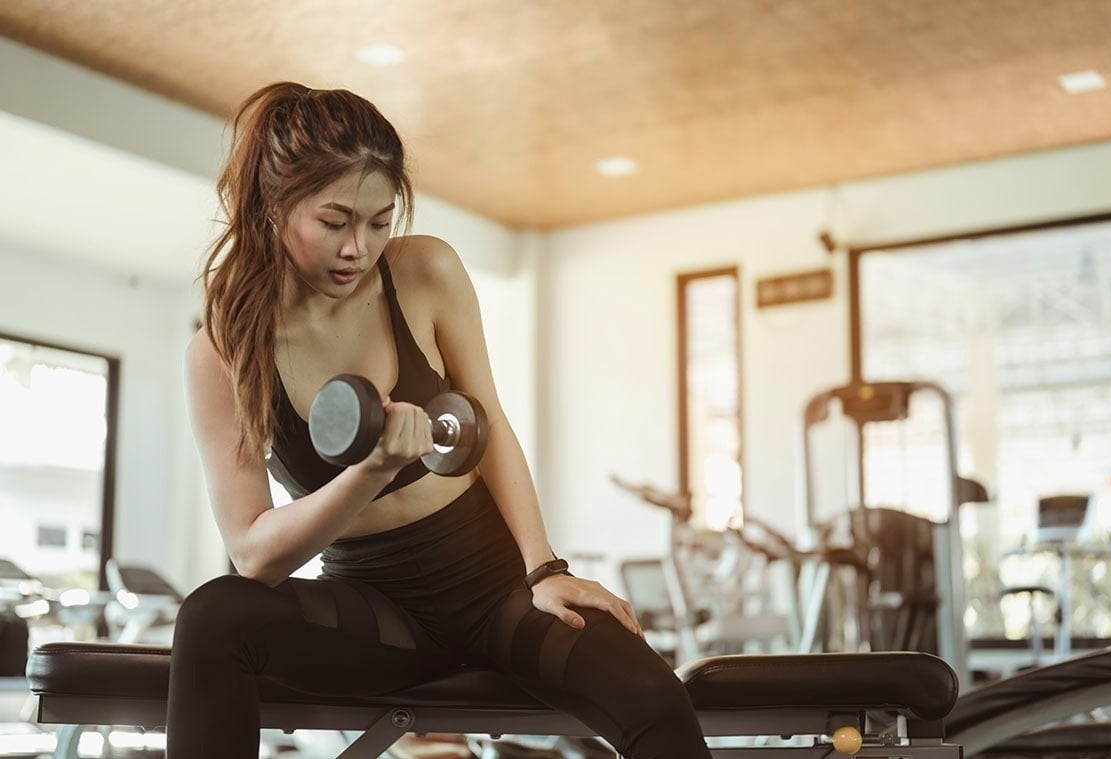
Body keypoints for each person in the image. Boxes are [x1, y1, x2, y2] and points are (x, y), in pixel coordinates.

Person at [170, 81, 712, 758]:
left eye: (379, 219)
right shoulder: (222, 352)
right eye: (334, 222)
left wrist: (545, 569)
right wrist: (371, 471)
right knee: (214, 616)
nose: (357, 248)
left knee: (657, 698)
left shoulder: (425, 271)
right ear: (273, 205)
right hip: (375, 618)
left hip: (495, 591)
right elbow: (254, 552)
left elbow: (492, 427)